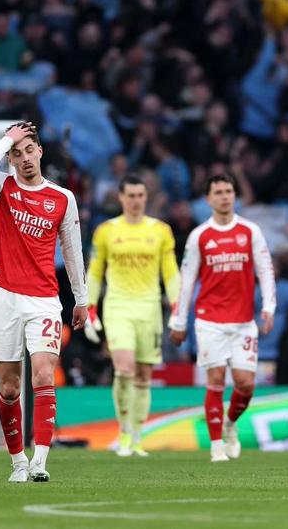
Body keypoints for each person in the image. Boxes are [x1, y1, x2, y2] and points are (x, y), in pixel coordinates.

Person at [0, 121, 87, 483]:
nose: (24, 159)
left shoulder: (62, 198)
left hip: (44, 299)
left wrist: (81, 298)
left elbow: (72, 251)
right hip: (3, 296)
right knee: (9, 387)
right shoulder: (1, 186)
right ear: (10, 158)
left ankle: (40, 461)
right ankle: (18, 461)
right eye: (16, 154)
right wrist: (5, 141)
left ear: (40, 151)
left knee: (43, 374)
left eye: (29, 150)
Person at [169, 174, 276, 462]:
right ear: (208, 199)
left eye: (229, 191)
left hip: (243, 323)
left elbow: (265, 270)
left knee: (245, 384)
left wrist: (269, 307)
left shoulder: (250, 231)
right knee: (215, 378)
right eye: (218, 192)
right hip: (210, 320)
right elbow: (187, 280)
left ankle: (230, 423)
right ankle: (216, 445)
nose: (224, 196)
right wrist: (179, 322)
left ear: (235, 195)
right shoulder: (199, 236)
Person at [84, 174, 180, 457]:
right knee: (124, 368)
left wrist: (177, 307)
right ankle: (124, 432)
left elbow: (170, 273)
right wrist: (90, 308)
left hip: (149, 308)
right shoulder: (106, 231)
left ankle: (137, 436)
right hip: (118, 306)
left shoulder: (161, 230)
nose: (136, 201)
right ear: (121, 197)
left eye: (140, 195)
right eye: (131, 196)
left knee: (143, 375)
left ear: (146, 197)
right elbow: (95, 272)